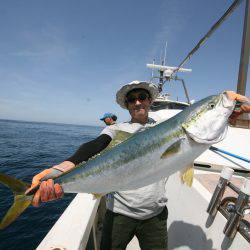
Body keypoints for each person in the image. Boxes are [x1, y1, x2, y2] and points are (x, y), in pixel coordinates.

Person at [26, 82, 250, 250]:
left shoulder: (165, 126)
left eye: (142, 97)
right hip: (119, 215)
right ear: (127, 105)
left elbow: (209, 125)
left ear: (149, 101)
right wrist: (61, 169)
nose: (137, 102)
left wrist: (225, 113)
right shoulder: (116, 130)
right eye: (131, 100)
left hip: (155, 215)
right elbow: (95, 145)